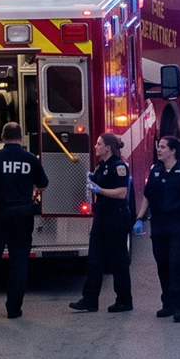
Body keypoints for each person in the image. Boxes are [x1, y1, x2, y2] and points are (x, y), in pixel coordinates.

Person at [0, 122, 49, 320]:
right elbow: (43, 185)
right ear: (21, 137)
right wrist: (27, 192)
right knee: (19, 261)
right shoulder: (30, 159)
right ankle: (14, 308)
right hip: (23, 214)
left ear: (2, 137)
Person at [141, 135, 180, 321]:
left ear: (173, 150)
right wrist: (138, 218)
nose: (158, 150)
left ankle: (179, 308)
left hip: (179, 224)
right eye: (158, 146)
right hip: (159, 225)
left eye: (162, 147)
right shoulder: (155, 171)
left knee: (176, 264)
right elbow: (147, 196)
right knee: (162, 264)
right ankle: (167, 304)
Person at [71, 131, 135, 313]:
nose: (96, 147)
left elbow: (122, 192)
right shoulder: (101, 166)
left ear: (108, 147)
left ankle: (124, 300)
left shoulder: (119, 166)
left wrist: (100, 189)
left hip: (116, 216)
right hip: (102, 216)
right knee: (94, 259)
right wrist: (92, 181)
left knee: (118, 260)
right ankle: (90, 299)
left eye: (99, 144)